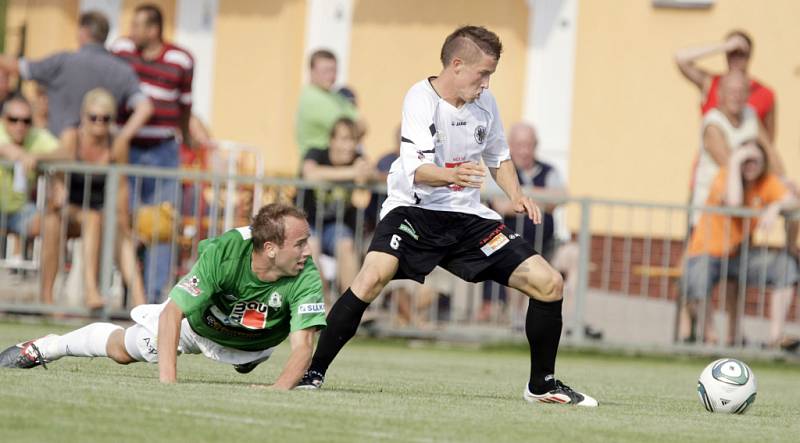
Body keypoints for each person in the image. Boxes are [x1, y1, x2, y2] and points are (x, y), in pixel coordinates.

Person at [295, 26, 597, 407]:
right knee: (372, 277)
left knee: (549, 282)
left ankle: (542, 385)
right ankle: (313, 373)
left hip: (467, 218)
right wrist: (452, 175)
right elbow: (416, 168)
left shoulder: (486, 103)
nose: (486, 83)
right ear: (456, 65)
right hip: (413, 211)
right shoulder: (420, 99)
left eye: (490, 75)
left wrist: (517, 194)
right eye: (482, 74)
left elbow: (499, 156)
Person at [0, 203, 327, 390]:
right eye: (300, 243)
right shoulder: (226, 252)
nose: (308, 251)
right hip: (197, 328)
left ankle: (246, 361)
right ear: (269, 249)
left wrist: (276, 390)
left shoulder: (306, 273)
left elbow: (303, 349)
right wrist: (168, 384)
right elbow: (173, 314)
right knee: (123, 350)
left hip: (255, 344)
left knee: (251, 355)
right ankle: (47, 346)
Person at [110, 4, 195, 304]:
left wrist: (186, 142)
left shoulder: (180, 60)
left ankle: (155, 297)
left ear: (154, 30)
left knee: (161, 225)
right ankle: (128, 292)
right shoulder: (121, 51)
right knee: (124, 220)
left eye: (137, 26)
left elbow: (185, 107)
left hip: (163, 151)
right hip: (127, 152)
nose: (131, 32)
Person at [34, 88, 146, 309]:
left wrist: (124, 221)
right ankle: (57, 298)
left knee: (121, 234)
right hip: (70, 210)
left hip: (101, 212)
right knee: (58, 222)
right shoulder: (72, 137)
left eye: (105, 119)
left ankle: (142, 305)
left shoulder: (118, 143)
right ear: (83, 116)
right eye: (93, 117)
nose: (99, 124)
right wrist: (56, 183)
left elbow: (122, 186)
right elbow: (58, 162)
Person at [682, 141, 798, 348]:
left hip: (738, 255)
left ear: (764, 162)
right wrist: (735, 161)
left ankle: (775, 338)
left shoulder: (766, 182)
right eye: (746, 160)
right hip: (706, 252)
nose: (751, 165)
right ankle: (710, 339)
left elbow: (794, 200)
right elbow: (734, 202)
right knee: (697, 277)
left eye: (755, 160)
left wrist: (776, 205)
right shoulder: (724, 176)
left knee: (785, 266)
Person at [0, 11, 153, 161]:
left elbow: (20, 67)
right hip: (101, 161)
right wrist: (122, 138)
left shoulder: (62, 61)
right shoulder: (122, 70)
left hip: (57, 158)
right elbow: (145, 108)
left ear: (83, 31)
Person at [690, 71, 783, 227]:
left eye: (741, 91)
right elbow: (730, 165)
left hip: (740, 217)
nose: (736, 96)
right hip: (710, 218)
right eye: (731, 91)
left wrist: (782, 181)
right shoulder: (713, 123)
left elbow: (768, 150)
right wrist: (768, 186)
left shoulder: (750, 115)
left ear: (748, 95)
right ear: (719, 94)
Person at [300, 117, 378, 299]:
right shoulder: (316, 153)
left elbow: (371, 174)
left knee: (346, 244)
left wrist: (366, 172)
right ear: (332, 140)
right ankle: (323, 305)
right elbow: (310, 173)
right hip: (306, 221)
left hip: (336, 225)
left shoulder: (357, 159)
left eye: (353, 140)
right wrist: (351, 172)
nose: (348, 146)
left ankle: (349, 308)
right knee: (311, 245)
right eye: (344, 139)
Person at [675, 30, 776, 142]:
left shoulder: (765, 93)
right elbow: (681, 58)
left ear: (749, 55)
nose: (736, 58)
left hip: (744, 156)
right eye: (732, 53)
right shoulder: (711, 83)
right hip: (711, 156)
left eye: (741, 53)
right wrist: (725, 46)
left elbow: (769, 141)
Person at [0, 95, 58, 244]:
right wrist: (16, 153)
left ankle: (47, 268)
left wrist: (36, 157)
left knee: (52, 224)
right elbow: (7, 149)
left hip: (20, 211)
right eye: (14, 119)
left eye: (26, 121)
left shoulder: (36, 135)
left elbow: (67, 153)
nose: (20, 125)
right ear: (4, 119)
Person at [296, 50, 363, 157]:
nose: (331, 75)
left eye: (334, 70)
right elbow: (349, 130)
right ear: (312, 71)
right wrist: (354, 130)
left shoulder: (335, 96)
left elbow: (363, 125)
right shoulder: (313, 98)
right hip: (318, 162)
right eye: (325, 71)